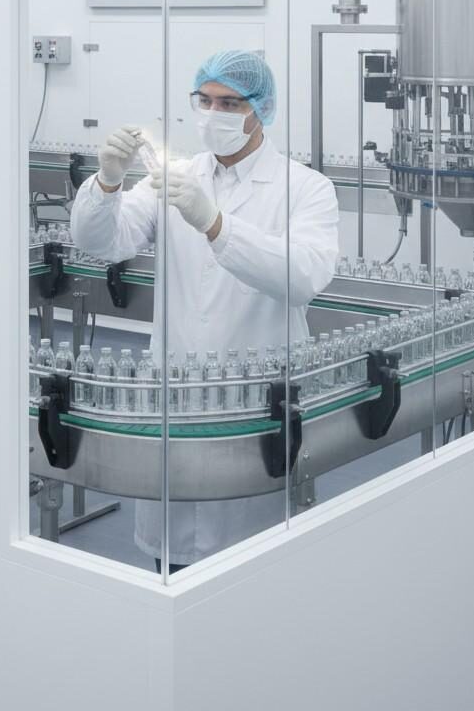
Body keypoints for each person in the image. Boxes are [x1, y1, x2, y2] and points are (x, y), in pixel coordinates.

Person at [70, 49, 339, 569]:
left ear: (260, 108)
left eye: (229, 103)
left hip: (260, 395)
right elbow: (100, 242)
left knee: (256, 564)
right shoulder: (175, 177)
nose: (213, 114)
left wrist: (216, 224)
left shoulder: (306, 188)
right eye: (205, 100)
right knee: (171, 562)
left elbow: (304, 276)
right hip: (174, 389)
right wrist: (107, 181)